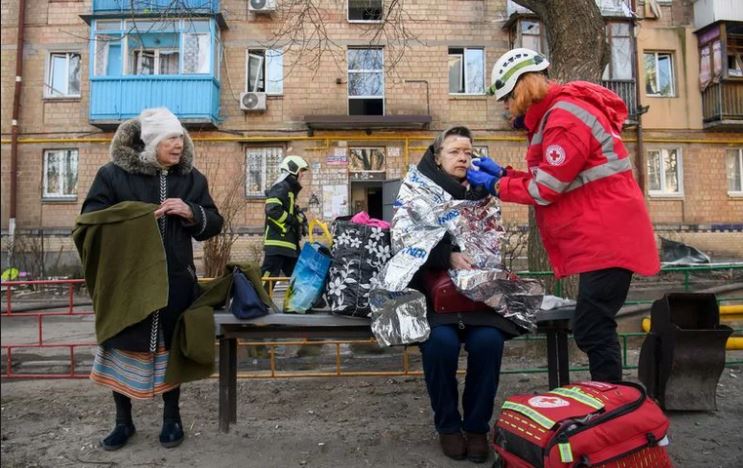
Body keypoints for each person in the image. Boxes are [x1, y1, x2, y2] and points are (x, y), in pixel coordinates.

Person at [468, 48, 660, 383]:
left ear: (521, 90)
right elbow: (553, 178)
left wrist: (497, 185)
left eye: (506, 99)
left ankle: (613, 404)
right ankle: (611, 401)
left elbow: (546, 190)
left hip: (608, 239)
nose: (506, 108)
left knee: (592, 326)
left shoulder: (563, 121)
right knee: (593, 324)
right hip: (605, 237)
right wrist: (505, 174)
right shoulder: (557, 116)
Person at [81, 107, 223, 450]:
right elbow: (90, 220)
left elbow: (215, 223)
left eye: (180, 137)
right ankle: (122, 421)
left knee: (170, 350)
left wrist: (192, 212)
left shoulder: (191, 178)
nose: (179, 144)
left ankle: (172, 419)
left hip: (176, 283)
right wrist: (138, 215)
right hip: (126, 283)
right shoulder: (112, 175)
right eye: (171, 138)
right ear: (151, 142)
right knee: (121, 346)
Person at [405, 126, 524, 463]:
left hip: (478, 298)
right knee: (439, 344)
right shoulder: (416, 191)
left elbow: (494, 242)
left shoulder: (484, 194)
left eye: (468, 152)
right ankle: (447, 426)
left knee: (488, 342)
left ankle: (475, 428)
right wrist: (447, 254)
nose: (462, 157)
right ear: (438, 155)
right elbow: (402, 241)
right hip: (436, 297)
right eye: (455, 151)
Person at [261, 155, 309, 286]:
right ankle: (256, 304)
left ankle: (303, 304)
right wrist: (293, 220)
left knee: (298, 276)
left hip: (287, 244)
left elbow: (287, 211)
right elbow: (272, 209)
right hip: (278, 242)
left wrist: (300, 219)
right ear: (294, 171)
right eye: (301, 171)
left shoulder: (289, 190)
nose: (302, 175)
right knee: (268, 278)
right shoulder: (281, 187)